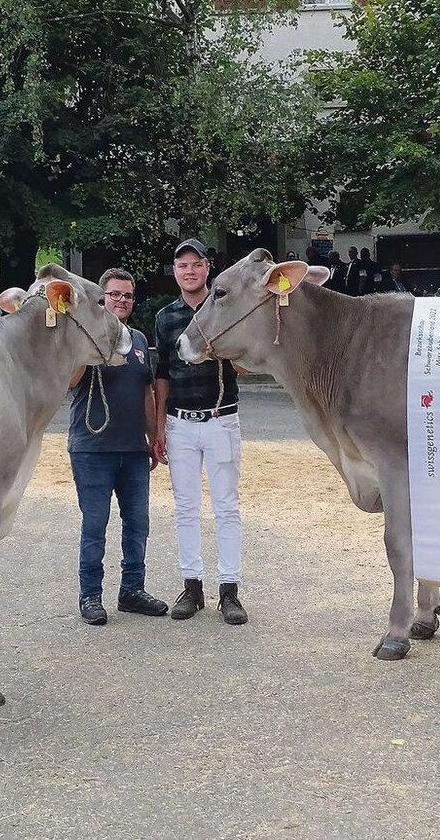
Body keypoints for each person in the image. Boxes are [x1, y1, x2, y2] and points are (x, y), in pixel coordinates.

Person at [151, 238, 248, 625]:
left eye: (196, 264)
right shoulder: (166, 317)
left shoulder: (225, 308)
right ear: (175, 272)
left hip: (221, 418)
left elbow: (244, 366)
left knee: (226, 507)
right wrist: (159, 425)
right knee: (186, 508)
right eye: (182, 266)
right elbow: (162, 374)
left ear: (208, 268)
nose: (189, 271)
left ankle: (229, 590)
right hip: (181, 423)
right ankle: (192, 587)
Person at [67, 268, 169, 625]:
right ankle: (90, 595)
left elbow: (146, 391)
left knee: (138, 523)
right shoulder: (83, 334)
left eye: (127, 295)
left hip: (133, 449)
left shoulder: (138, 339)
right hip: (92, 447)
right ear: (102, 298)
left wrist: (154, 436)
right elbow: (71, 380)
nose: (121, 300)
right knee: (95, 525)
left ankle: (132, 590)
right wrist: (91, 346)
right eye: (114, 294)